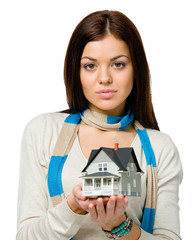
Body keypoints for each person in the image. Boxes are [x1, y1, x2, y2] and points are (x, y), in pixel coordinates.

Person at [16, 10, 183, 240]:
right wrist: (72, 207)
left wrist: (118, 225)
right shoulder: (43, 132)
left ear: (136, 70)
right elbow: (25, 236)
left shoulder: (160, 148)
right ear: (76, 72)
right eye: (90, 66)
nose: (104, 78)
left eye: (118, 64)